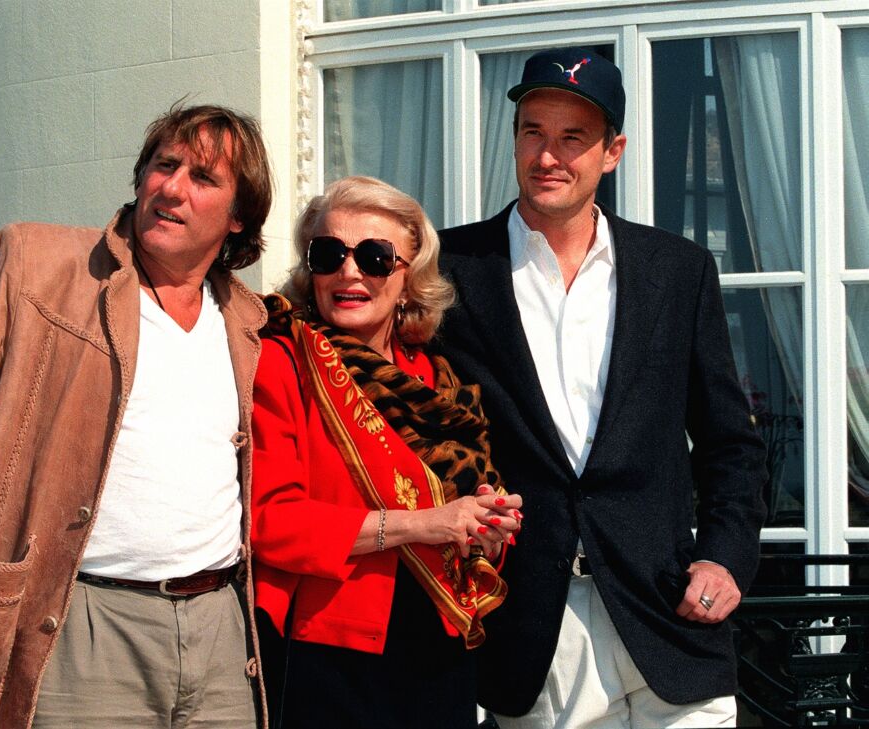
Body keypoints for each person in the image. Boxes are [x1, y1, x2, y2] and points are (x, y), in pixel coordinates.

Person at [0, 103, 274, 729]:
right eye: (164, 165)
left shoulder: (251, 323)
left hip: (219, 629)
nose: (172, 188)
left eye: (203, 178)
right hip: (79, 624)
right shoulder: (35, 265)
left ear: (239, 217)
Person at [437, 48, 768, 727]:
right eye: (533, 132)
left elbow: (730, 442)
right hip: (532, 629)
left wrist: (725, 556)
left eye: (572, 138)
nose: (548, 156)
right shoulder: (451, 271)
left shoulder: (677, 270)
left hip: (668, 613)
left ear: (612, 151)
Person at [251, 175, 522, 729]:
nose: (348, 272)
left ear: (409, 278)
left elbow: (458, 526)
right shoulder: (283, 362)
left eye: (374, 257)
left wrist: (486, 534)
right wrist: (420, 524)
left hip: (440, 650)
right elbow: (270, 522)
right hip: (329, 652)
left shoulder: (437, 377)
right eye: (328, 254)